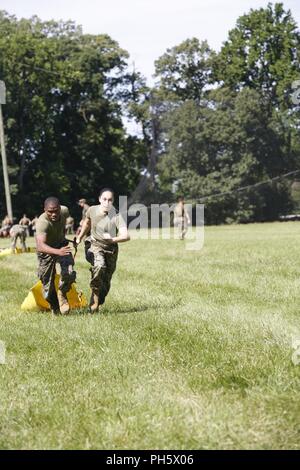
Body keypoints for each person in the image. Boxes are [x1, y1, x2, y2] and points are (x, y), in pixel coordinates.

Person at [76, 188, 130, 313]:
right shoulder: (92, 210)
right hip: (95, 245)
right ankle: (94, 294)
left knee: (106, 282)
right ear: (100, 199)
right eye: (104, 199)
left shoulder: (116, 215)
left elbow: (126, 236)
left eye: (110, 200)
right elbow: (87, 223)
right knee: (99, 266)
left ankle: (97, 300)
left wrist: (112, 239)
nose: (107, 202)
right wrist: (79, 237)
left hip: (111, 250)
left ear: (113, 201)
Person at [35, 197, 76, 314]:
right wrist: (58, 252)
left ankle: (62, 294)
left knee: (69, 273)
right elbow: (40, 246)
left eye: (56, 211)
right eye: (50, 211)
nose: (53, 214)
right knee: (47, 288)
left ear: (60, 208)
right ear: (44, 210)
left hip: (61, 246)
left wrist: (64, 238)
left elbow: (63, 224)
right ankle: (55, 307)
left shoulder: (65, 211)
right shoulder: (43, 223)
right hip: (46, 252)